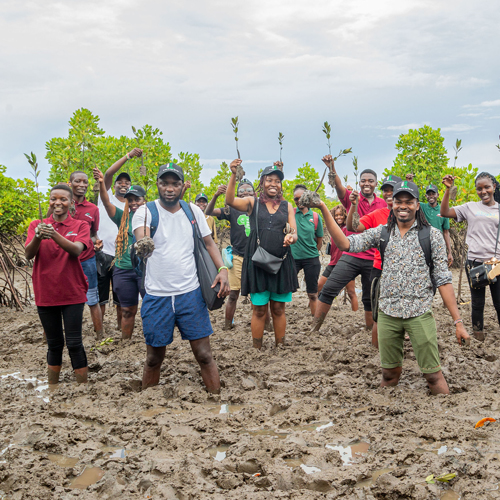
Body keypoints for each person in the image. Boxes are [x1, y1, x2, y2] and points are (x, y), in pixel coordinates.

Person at [311, 180, 470, 395]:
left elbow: (443, 280)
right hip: (387, 313)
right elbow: (346, 244)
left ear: (417, 204)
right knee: (388, 374)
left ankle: (445, 416)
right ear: (392, 204)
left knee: (433, 375)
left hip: (419, 313)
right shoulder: (382, 232)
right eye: (398, 202)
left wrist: (458, 322)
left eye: (408, 202)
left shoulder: (431, 235)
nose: (403, 206)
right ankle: (384, 410)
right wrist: (322, 207)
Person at [132, 163, 230, 391]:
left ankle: (216, 401)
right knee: (154, 358)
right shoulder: (144, 212)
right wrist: (143, 243)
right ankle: (148, 406)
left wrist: (222, 269)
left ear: (181, 186)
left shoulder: (193, 211)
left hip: (190, 294)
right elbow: (141, 236)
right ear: (157, 184)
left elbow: (209, 243)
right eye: (164, 183)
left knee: (204, 355)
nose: (169, 188)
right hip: (157, 296)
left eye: (174, 184)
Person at [226, 159, 298, 349]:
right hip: (257, 263)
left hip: (281, 262)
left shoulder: (287, 206)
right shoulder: (253, 203)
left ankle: (280, 346)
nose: (273, 184)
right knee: (258, 310)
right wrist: (233, 174)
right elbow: (230, 201)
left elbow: (294, 232)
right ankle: (256, 348)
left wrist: (291, 238)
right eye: (269, 180)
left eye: (277, 181)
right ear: (262, 183)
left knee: (278, 309)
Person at [312, 155, 387, 331]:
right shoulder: (351, 198)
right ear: (359, 183)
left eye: (370, 181)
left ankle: (370, 330)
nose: (366, 183)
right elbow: (338, 186)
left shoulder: (383, 204)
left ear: (376, 184)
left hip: (373, 259)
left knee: (369, 298)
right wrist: (332, 168)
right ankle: (314, 328)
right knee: (329, 289)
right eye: (363, 181)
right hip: (351, 255)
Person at [25, 185, 91, 384]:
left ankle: (83, 387)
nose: (58, 203)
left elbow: (76, 250)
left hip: (72, 292)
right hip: (45, 292)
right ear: (50, 201)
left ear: (72, 203)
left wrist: (52, 233)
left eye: (63, 199)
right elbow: (28, 254)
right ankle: (52, 387)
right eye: (54, 199)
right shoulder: (37, 224)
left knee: (74, 343)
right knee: (54, 344)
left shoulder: (80, 226)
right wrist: (38, 235)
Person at [440, 172, 500, 341]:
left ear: (494, 187)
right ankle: (478, 337)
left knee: (498, 302)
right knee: (478, 303)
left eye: (487, 187)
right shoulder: (470, 207)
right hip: (475, 262)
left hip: (497, 263)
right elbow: (444, 212)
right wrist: (447, 190)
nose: (484, 191)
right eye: (479, 189)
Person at [346, 175, 401, 347]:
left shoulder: (413, 213)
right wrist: (353, 206)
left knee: (403, 309)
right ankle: (377, 351)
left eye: (393, 190)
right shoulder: (377, 214)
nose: (389, 193)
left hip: (403, 269)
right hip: (380, 267)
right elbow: (353, 227)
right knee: (378, 313)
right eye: (386, 190)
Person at [94, 168, 145, 339]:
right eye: (130, 200)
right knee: (127, 310)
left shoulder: (152, 216)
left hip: (145, 271)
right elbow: (106, 202)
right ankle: (126, 342)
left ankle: (152, 339)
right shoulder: (122, 217)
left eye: (137, 199)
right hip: (123, 269)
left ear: (145, 200)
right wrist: (102, 183)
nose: (133, 203)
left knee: (150, 307)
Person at [206, 180, 254, 330]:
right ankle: (228, 325)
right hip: (237, 257)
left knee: (258, 296)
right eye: (242, 191)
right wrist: (216, 195)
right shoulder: (231, 209)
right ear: (236, 194)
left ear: (255, 193)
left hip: (256, 258)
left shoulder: (260, 209)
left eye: (249, 190)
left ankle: (264, 324)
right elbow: (208, 212)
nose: (245, 193)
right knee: (233, 295)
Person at [291, 184, 324, 315]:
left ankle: (314, 320)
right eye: (295, 198)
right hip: (293, 259)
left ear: (307, 197)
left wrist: (312, 252)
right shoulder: (291, 213)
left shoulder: (316, 217)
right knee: (284, 289)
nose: (299, 201)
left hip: (311, 259)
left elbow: (319, 239)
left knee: (312, 293)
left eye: (301, 197)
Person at [318, 205, 358, 311]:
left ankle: (354, 313)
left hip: (346, 264)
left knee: (351, 292)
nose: (339, 217)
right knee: (319, 286)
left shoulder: (348, 229)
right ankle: (316, 307)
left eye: (341, 215)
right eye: (336, 215)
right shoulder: (335, 229)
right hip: (333, 263)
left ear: (345, 215)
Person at [420, 184, 453, 267]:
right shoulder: (421, 207)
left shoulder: (443, 210)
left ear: (437, 195)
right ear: (425, 196)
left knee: (439, 270)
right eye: (429, 194)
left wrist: (449, 252)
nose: (431, 196)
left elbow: (446, 232)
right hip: (424, 246)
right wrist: (410, 181)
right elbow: (412, 198)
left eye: (433, 194)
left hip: (439, 246)